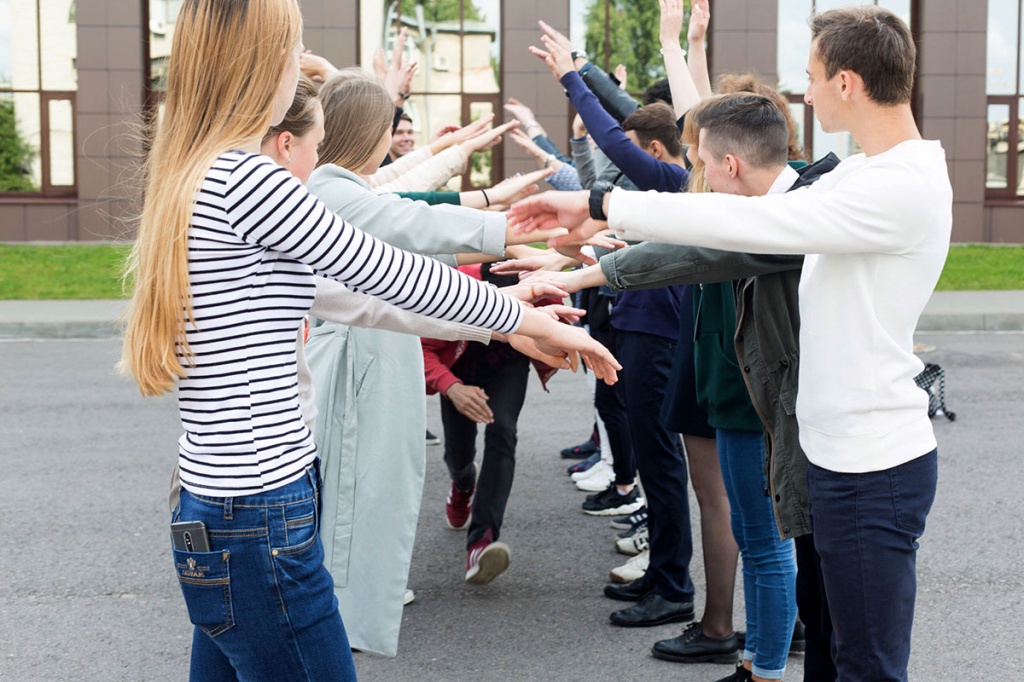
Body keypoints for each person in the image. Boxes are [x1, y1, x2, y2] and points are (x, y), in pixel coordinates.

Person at [118, 1, 619, 678]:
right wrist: (525, 320)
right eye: (289, 50)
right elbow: (389, 270)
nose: (297, 68)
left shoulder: (199, 173)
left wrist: (508, 306)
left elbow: (355, 297)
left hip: (224, 511)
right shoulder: (247, 179)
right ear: (257, 62)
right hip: (258, 517)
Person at [509, 7, 951, 681]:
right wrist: (580, 265)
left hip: (873, 469)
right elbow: (725, 240)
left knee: (866, 668)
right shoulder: (861, 176)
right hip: (836, 460)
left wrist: (600, 205)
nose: (802, 94)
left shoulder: (899, 186)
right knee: (833, 658)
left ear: (848, 83)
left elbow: (736, 217)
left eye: (810, 77)